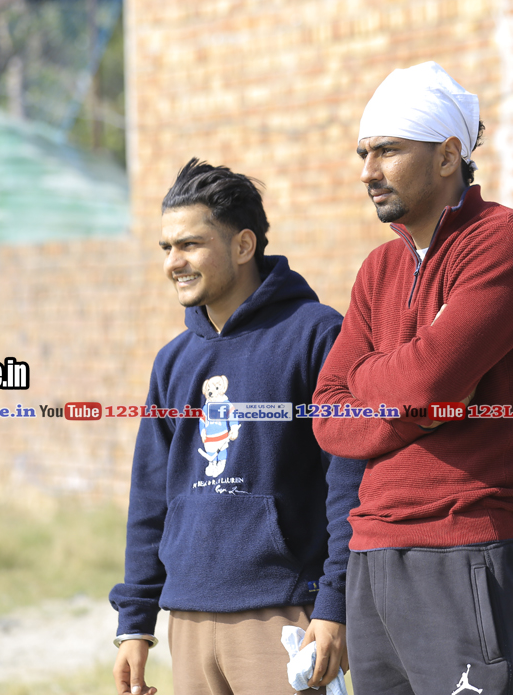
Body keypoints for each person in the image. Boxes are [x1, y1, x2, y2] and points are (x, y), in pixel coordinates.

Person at [312, 62, 513, 695]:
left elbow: (426, 380)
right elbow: (328, 414)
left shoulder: (505, 244)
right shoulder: (378, 268)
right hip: (371, 553)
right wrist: (421, 404)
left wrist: (385, 380)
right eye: (364, 153)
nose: (368, 171)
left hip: (465, 547)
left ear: (449, 155)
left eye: (388, 151)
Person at [110, 159, 363, 695]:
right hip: (187, 617)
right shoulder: (172, 361)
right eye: (166, 248)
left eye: (190, 245)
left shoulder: (316, 335)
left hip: (284, 615)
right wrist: (135, 623)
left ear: (244, 245)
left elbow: (349, 480)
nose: (173, 262)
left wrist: (335, 602)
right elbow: (150, 498)